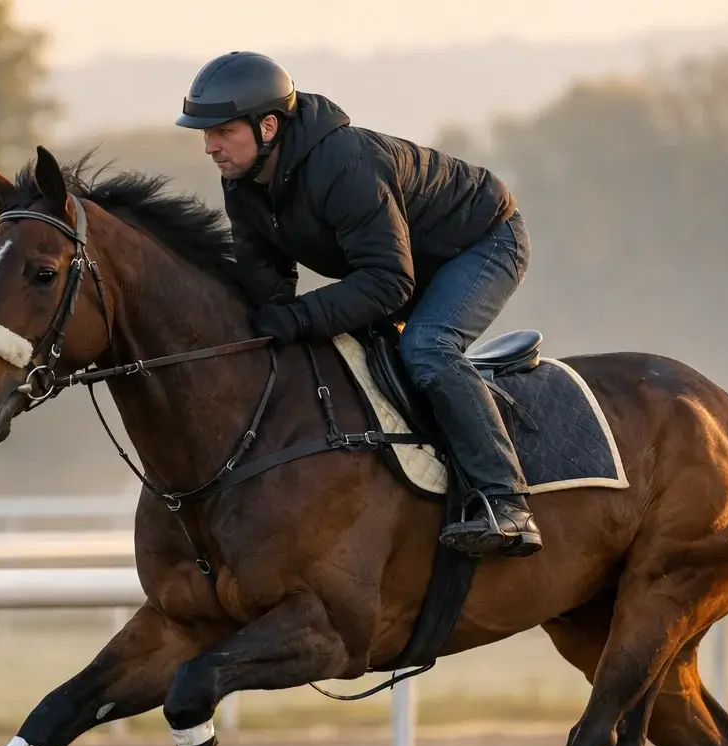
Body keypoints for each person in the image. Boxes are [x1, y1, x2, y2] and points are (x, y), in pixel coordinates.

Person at [175, 51, 541, 558]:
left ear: (268, 126)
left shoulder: (343, 164)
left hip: (483, 242)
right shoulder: (243, 183)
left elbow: (390, 282)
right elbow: (267, 287)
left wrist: (299, 317)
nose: (210, 147)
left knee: (428, 347)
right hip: (404, 264)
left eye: (221, 132)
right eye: (205, 134)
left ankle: (506, 503)